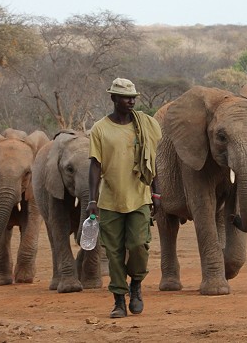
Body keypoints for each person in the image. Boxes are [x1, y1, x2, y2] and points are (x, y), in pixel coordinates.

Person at [87, 77, 162, 318]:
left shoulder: (144, 125)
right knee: (114, 252)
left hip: (140, 196)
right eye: (125, 97)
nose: (131, 101)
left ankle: (136, 284)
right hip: (110, 200)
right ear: (113, 98)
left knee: (139, 245)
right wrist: (92, 200)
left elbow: (152, 160)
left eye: (133, 97)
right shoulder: (100, 129)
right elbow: (95, 166)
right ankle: (119, 300)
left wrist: (157, 191)